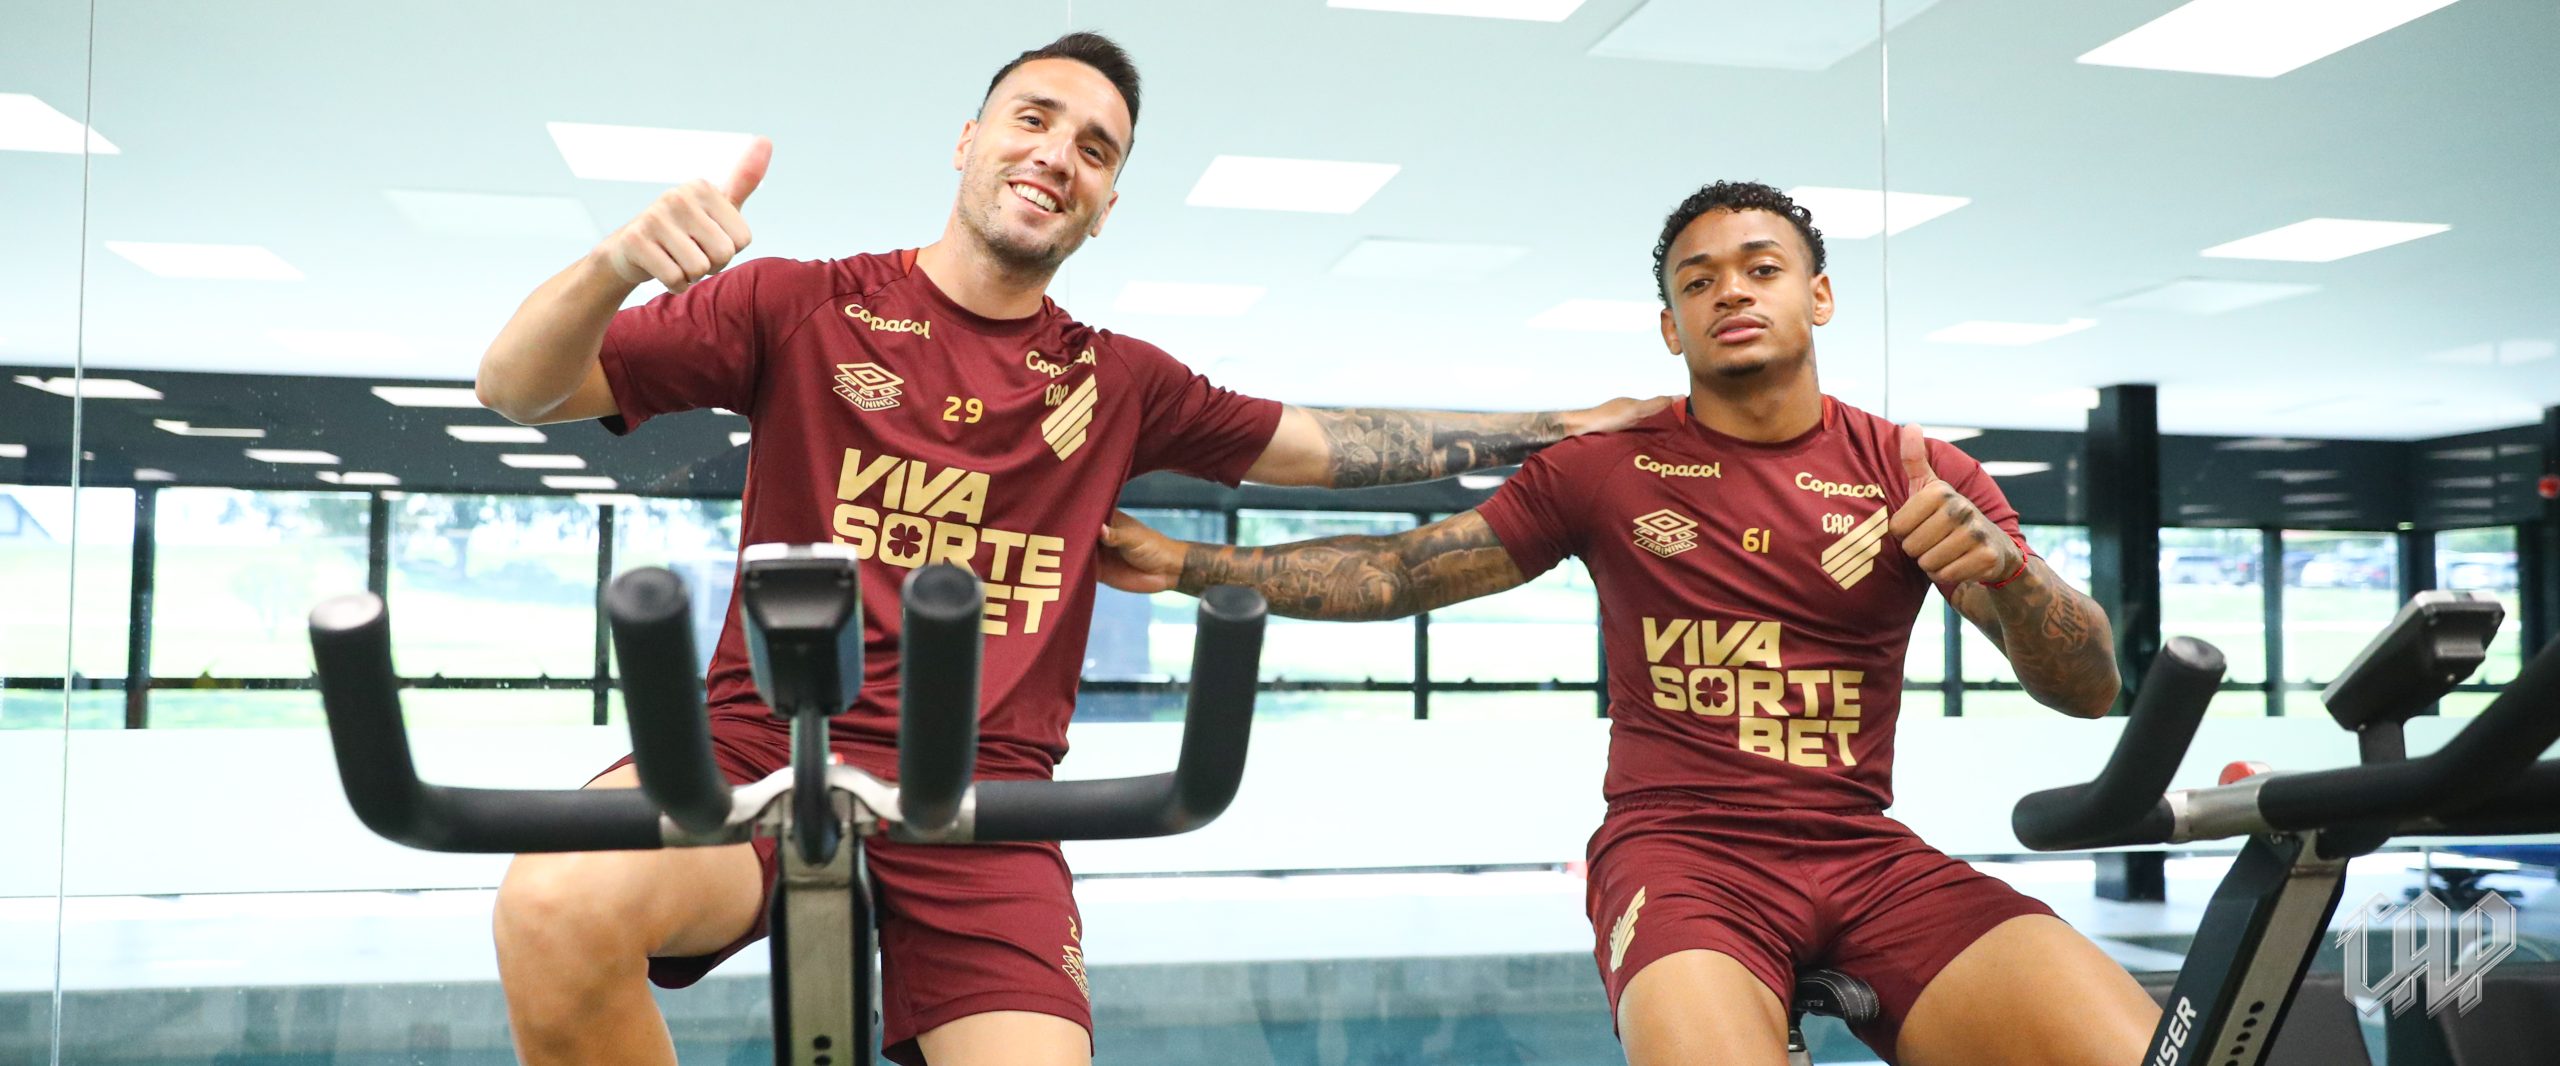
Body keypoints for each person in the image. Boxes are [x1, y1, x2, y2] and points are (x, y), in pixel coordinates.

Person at [467, 30, 1662, 1066]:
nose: (1057, 154)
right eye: (1033, 119)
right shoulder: (798, 304)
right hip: (762, 746)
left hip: (986, 800)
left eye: (1095, 149)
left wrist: (1558, 423)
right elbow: (517, 387)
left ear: (1106, 202)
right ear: (968, 140)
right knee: (554, 906)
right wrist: (616, 264)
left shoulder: (1119, 382)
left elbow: (1326, 443)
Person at [1100, 181, 2164, 1066]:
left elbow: (2087, 690)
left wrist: (2009, 575)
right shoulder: (1607, 468)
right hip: (1681, 856)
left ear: (1820, 295)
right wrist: (1188, 562)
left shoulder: (1917, 473)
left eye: (1760, 267)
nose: (1728, 291)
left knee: (2143, 1054)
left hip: (1866, 853)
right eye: (1696, 282)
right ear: (1669, 327)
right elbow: (1397, 573)